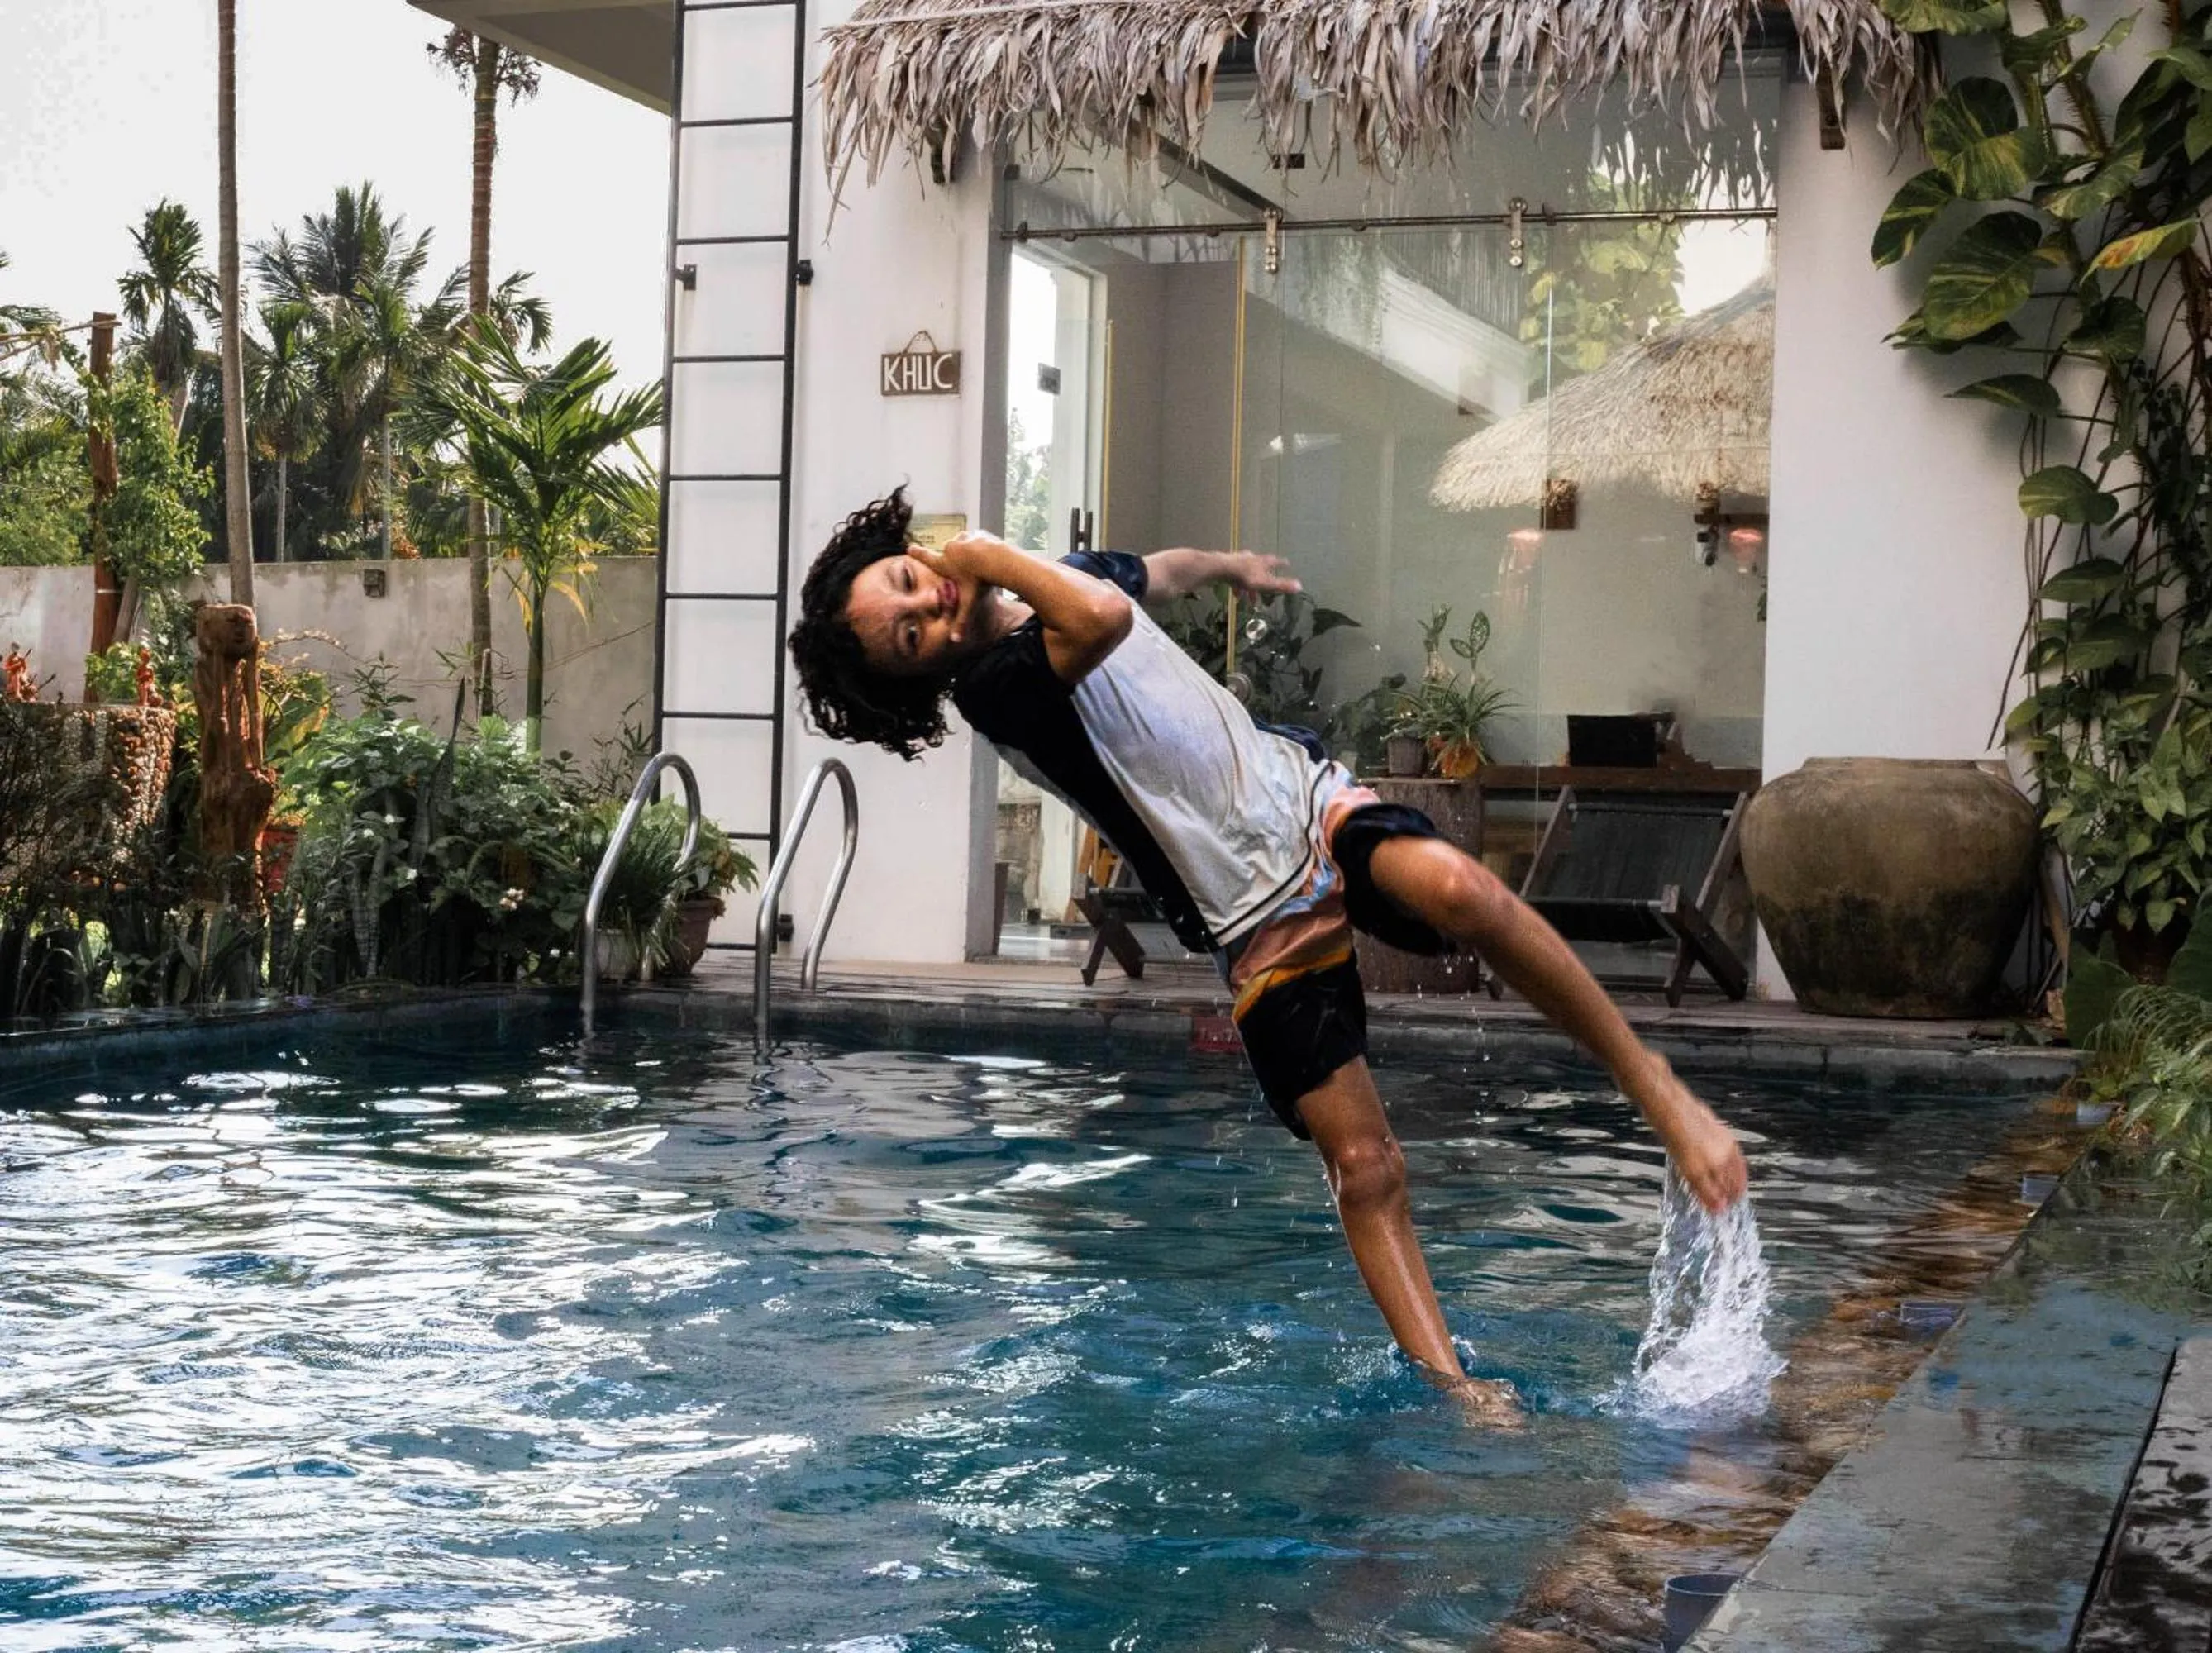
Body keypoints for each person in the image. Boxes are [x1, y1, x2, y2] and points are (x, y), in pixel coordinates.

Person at [789, 488, 1748, 1425]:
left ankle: (1657, 1092)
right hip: (1246, 913)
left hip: (1301, 801)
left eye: (908, 581)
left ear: (911, 551)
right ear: (923, 675)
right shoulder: (997, 688)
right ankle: (1456, 1389)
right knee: (1364, 1164)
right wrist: (987, 552)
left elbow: (1151, 574)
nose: (929, 604)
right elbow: (1103, 615)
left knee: (1465, 892)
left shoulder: (1061, 576)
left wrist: (1227, 565)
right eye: (910, 633)